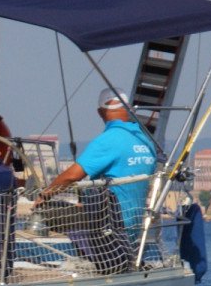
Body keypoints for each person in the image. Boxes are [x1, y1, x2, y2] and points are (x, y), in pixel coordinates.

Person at [37, 88, 158, 231]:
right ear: (129, 109)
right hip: (135, 227)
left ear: (100, 112)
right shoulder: (146, 141)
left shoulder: (109, 140)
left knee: (44, 214)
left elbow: (72, 176)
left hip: (110, 228)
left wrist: (43, 196)